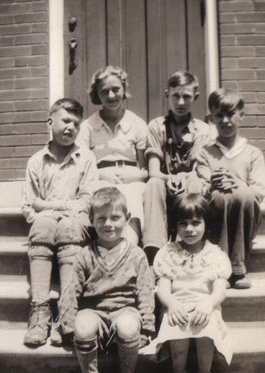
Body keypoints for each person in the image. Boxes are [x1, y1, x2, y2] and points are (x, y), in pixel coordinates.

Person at [22, 98, 98, 347]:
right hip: (47, 225)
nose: (70, 127)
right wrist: (50, 213)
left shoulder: (86, 158)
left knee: (65, 224)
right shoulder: (36, 160)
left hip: (75, 224)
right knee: (43, 223)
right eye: (66, 121)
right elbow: (29, 205)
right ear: (50, 121)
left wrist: (52, 208)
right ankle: (40, 310)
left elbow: (87, 201)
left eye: (76, 124)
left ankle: (66, 313)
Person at [59, 187, 155, 373]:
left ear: (127, 219)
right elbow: (71, 291)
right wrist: (70, 326)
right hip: (94, 312)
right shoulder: (84, 255)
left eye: (115, 217)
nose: (108, 224)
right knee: (84, 327)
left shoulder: (136, 255)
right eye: (101, 218)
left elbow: (145, 291)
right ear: (91, 221)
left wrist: (147, 327)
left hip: (126, 310)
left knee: (127, 327)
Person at [140, 193, 233, 372]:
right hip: (177, 306)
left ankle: (204, 370)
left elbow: (220, 291)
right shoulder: (168, 253)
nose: (189, 229)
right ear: (175, 225)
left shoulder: (215, 255)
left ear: (206, 223)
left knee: (207, 325)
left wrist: (208, 304)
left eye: (196, 222)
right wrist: (172, 304)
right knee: (176, 324)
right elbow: (163, 288)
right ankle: (178, 368)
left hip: (205, 306)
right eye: (183, 223)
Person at [196, 88, 265, 289]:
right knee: (219, 196)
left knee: (244, 194)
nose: (225, 121)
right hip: (217, 214)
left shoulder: (252, 153)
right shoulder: (206, 153)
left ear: (241, 115)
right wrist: (211, 185)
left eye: (231, 114)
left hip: (245, 213)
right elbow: (201, 187)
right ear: (212, 119)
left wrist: (238, 184)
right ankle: (221, 269)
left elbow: (259, 190)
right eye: (219, 115)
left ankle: (238, 266)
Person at [143, 70, 210, 265]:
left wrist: (182, 178)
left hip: (190, 186)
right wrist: (169, 179)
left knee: (195, 181)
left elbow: (198, 169)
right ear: (167, 95)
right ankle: (154, 251)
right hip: (165, 186)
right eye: (176, 96)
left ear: (195, 97)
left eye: (187, 97)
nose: (181, 102)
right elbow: (154, 171)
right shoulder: (157, 126)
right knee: (153, 184)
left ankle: (191, 247)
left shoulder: (202, 129)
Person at [77, 66, 148, 246]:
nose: (111, 96)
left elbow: (145, 167)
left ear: (123, 89)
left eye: (116, 89)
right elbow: (81, 166)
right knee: (103, 199)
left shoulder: (137, 123)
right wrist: (101, 175)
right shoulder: (88, 126)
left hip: (132, 178)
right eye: (104, 92)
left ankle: (129, 251)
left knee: (134, 197)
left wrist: (137, 175)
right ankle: (106, 250)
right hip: (100, 177)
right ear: (97, 95)